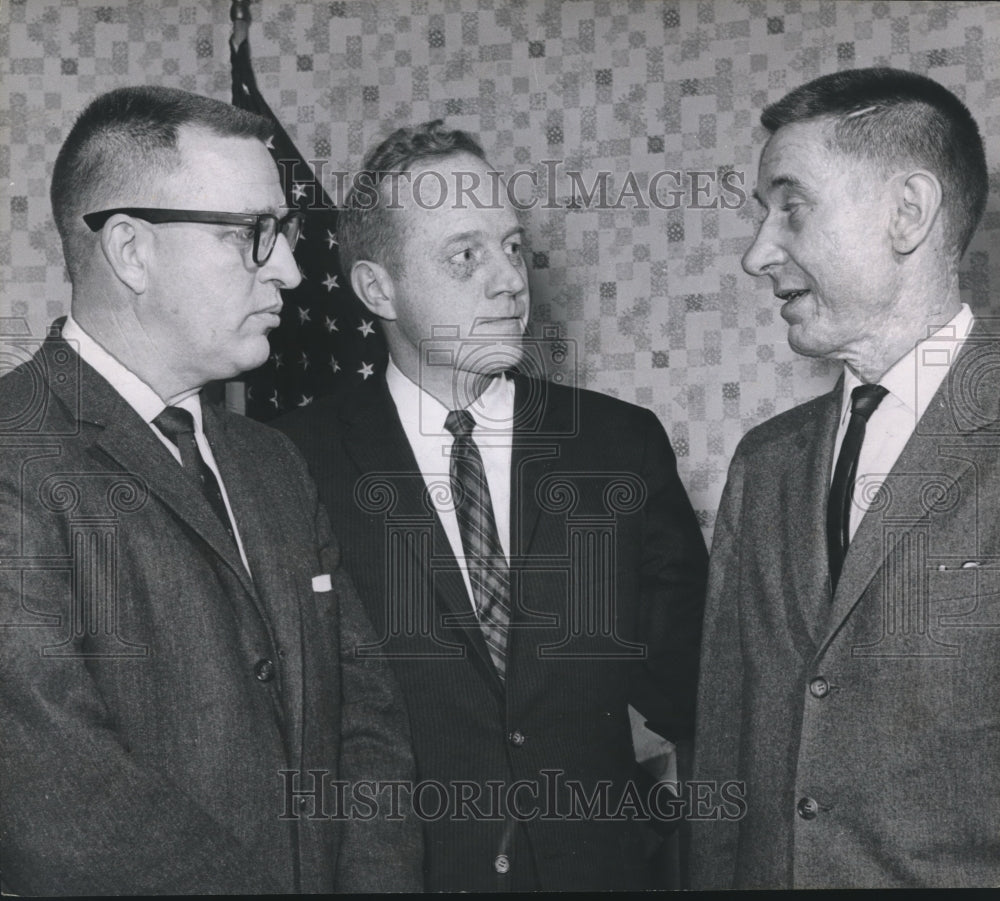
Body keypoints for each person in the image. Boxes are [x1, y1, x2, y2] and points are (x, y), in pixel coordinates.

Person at [0, 85, 421, 894]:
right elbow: (56, 794)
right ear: (131, 251)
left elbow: (365, 717)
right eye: (249, 234)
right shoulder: (15, 454)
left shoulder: (273, 461)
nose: (290, 270)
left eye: (284, 233)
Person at [276, 120, 708, 891]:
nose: (511, 280)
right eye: (466, 256)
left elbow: (701, 693)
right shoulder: (290, 463)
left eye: (512, 247)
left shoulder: (619, 446)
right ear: (377, 288)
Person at [691, 67, 999, 888]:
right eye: (762, 214)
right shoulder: (764, 463)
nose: (757, 253)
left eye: (791, 206)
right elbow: (723, 752)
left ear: (908, 212)